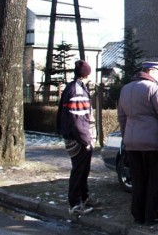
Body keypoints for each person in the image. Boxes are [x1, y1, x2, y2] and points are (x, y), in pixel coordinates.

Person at [117, 61, 158, 225]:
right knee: (154, 179)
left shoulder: (126, 88)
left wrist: (126, 136)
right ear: (151, 71)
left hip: (132, 142)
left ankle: (138, 214)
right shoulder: (153, 88)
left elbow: (121, 117)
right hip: (152, 141)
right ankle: (151, 215)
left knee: (138, 179)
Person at [57, 59, 97, 215]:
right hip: (78, 139)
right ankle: (75, 203)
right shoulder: (77, 91)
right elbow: (78, 120)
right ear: (86, 74)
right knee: (79, 170)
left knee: (82, 169)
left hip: (76, 137)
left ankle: (83, 198)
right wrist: (86, 140)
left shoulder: (74, 88)